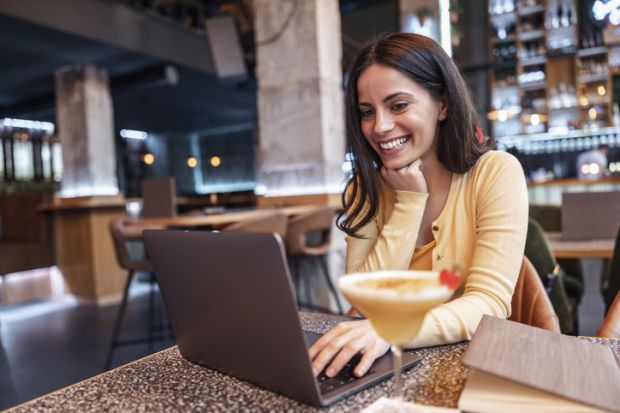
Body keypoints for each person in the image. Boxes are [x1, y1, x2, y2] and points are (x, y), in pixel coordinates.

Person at [308, 33, 528, 379]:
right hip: (388, 368)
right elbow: (365, 304)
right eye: (367, 112)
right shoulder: (363, 190)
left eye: (398, 106)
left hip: (476, 372)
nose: (379, 126)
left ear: (443, 104)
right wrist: (409, 203)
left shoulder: (495, 173)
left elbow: (489, 305)